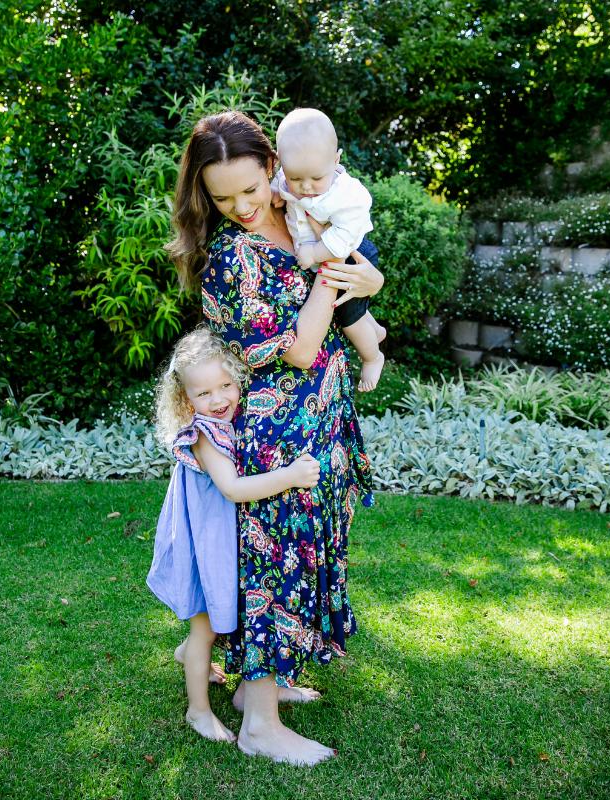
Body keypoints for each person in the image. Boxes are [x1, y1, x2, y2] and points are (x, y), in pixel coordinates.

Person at [166, 110, 383, 766]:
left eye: (250, 188)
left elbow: (361, 278)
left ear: (272, 167)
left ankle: (262, 685)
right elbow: (299, 349)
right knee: (271, 567)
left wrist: (365, 278)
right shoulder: (232, 258)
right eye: (221, 198)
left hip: (322, 416)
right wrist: (330, 274)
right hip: (273, 431)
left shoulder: (306, 208)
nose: (240, 207)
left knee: (305, 558)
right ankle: (259, 724)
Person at [146, 326, 321, 743]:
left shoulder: (232, 421)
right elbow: (232, 489)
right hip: (204, 546)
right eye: (204, 393)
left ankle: (207, 663)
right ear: (185, 399)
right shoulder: (204, 435)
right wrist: (291, 476)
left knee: (224, 621)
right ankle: (198, 710)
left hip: (221, 541)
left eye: (226, 385)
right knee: (205, 629)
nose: (218, 399)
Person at [271, 107, 386, 392]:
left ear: (336, 160)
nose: (306, 187)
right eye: (295, 179)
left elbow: (346, 235)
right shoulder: (289, 178)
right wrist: (276, 191)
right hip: (324, 254)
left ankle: (373, 357)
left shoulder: (347, 195)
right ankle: (375, 330)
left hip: (350, 253)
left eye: (316, 179)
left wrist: (315, 253)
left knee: (348, 317)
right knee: (351, 306)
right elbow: (282, 183)